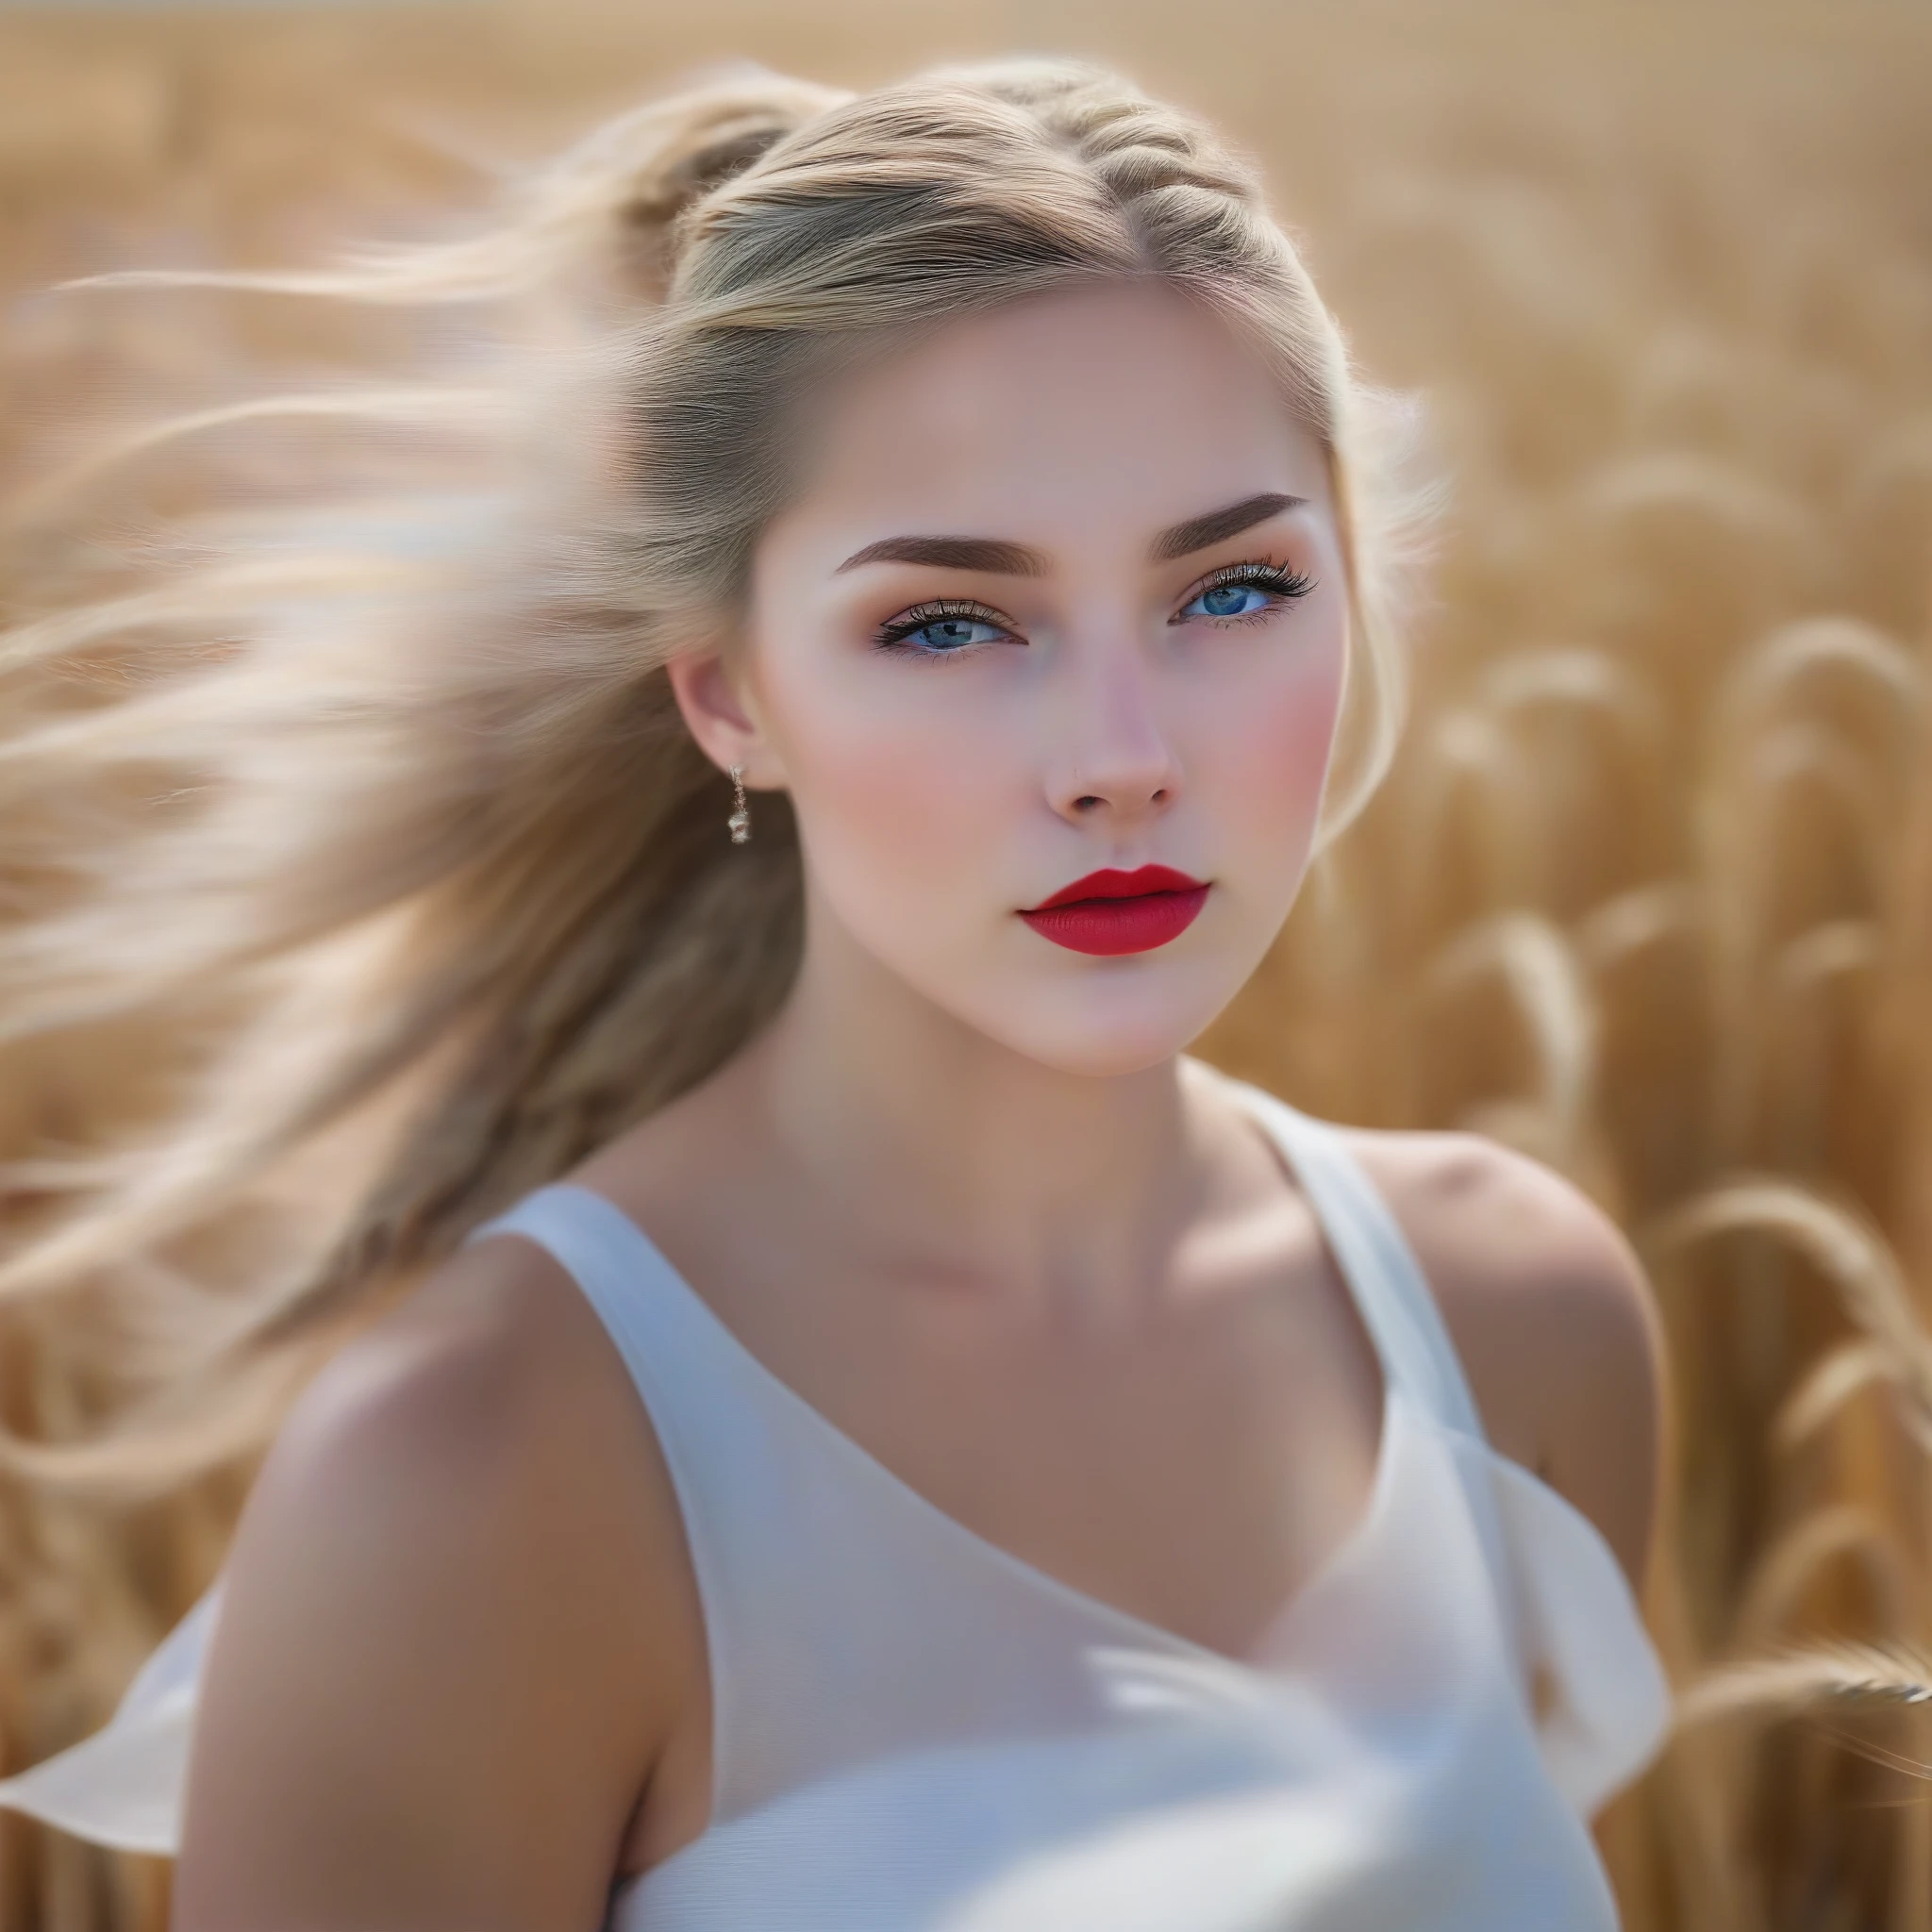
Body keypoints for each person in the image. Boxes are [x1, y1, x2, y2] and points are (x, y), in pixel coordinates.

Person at [0, 55, 1672, 1931]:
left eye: (1230, 592)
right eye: (949, 622)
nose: (1121, 758)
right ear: (726, 690)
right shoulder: (485, 1479)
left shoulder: (1513, 1318)